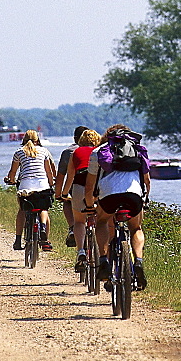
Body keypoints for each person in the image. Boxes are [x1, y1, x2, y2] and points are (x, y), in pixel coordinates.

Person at [84, 124, 151, 290]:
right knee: (136, 228)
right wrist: (146, 198)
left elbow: (89, 186)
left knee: (101, 221)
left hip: (108, 197)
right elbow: (147, 181)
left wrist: (90, 205)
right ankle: (139, 263)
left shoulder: (98, 152)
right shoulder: (137, 149)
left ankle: (104, 260)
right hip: (134, 195)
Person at [57, 128, 102, 273]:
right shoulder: (101, 151)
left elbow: (70, 176)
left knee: (79, 221)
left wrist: (64, 193)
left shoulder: (75, 152)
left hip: (78, 187)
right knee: (102, 221)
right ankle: (103, 255)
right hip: (98, 189)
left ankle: (81, 251)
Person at [5, 130, 57, 252]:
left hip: (25, 186)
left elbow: (13, 172)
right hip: (42, 185)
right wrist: (51, 183)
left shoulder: (18, 152)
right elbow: (49, 171)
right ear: (37, 140)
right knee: (44, 209)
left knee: (22, 209)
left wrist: (11, 180)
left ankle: (18, 240)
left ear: (23, 140)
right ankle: (44, 233)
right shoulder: (43, 151)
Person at [53, 125, 88, 248]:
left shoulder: (68, 152)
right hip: (96, 189)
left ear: (75, 138)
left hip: (75, 189)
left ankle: (73, 227)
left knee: (67, 201)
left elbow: (61, 176)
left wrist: (58, 194)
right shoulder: (97, 150)